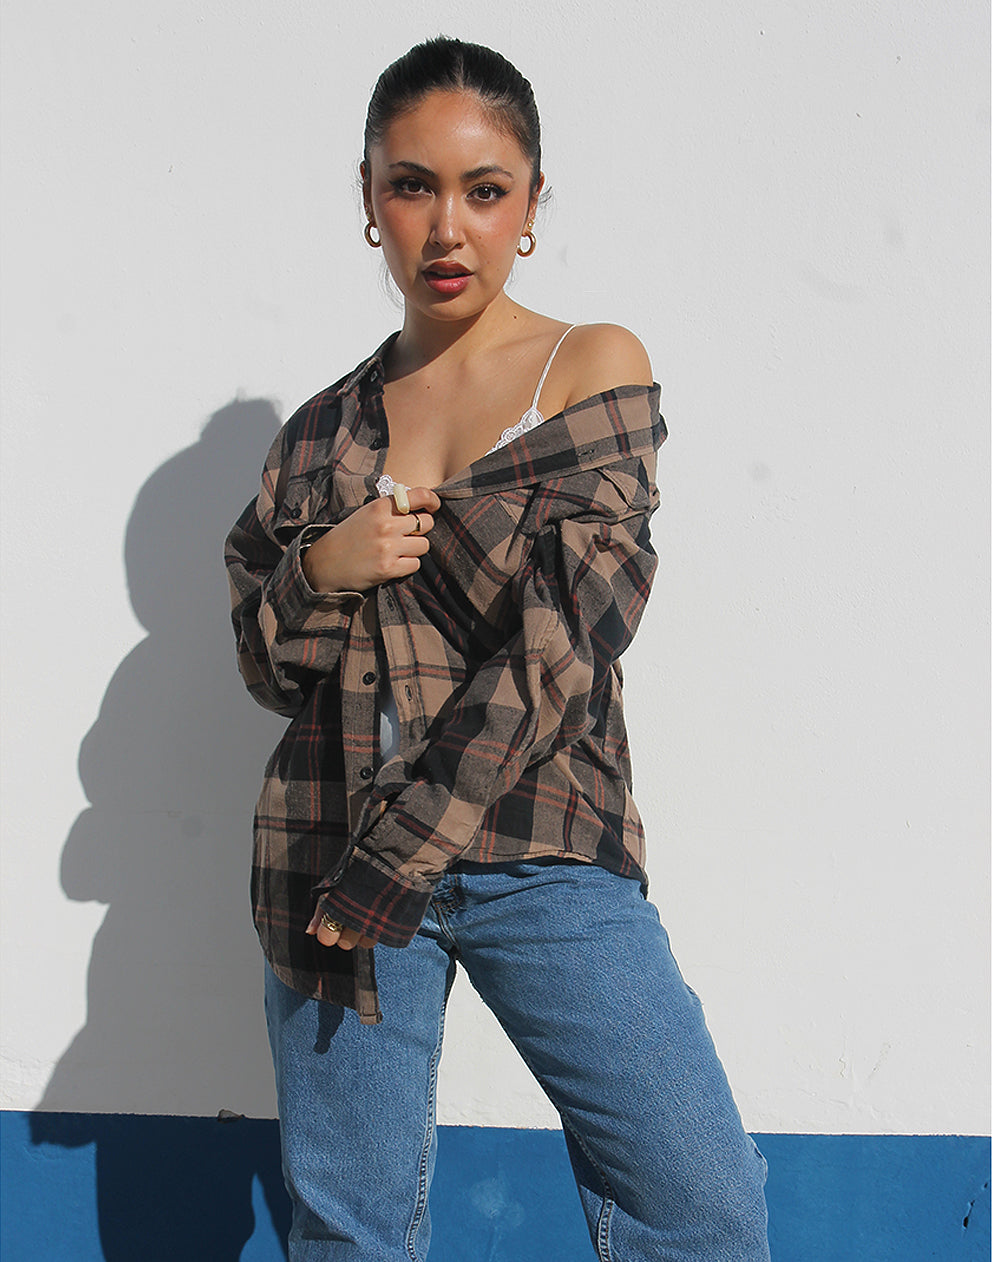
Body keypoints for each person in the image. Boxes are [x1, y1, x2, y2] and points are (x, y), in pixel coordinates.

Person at [225, 36, 770, 1262]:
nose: (446, 227)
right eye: (410, 185)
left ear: (531, 202)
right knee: (347, 1231)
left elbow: (564, 650)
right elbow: (267, 666)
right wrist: (321, 566)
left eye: (484, 188)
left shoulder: (588, 367)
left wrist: (397, 859)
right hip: (332, 849)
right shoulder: (323, 435)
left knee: (703, 1205)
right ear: (368, 201)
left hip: (535, 846)